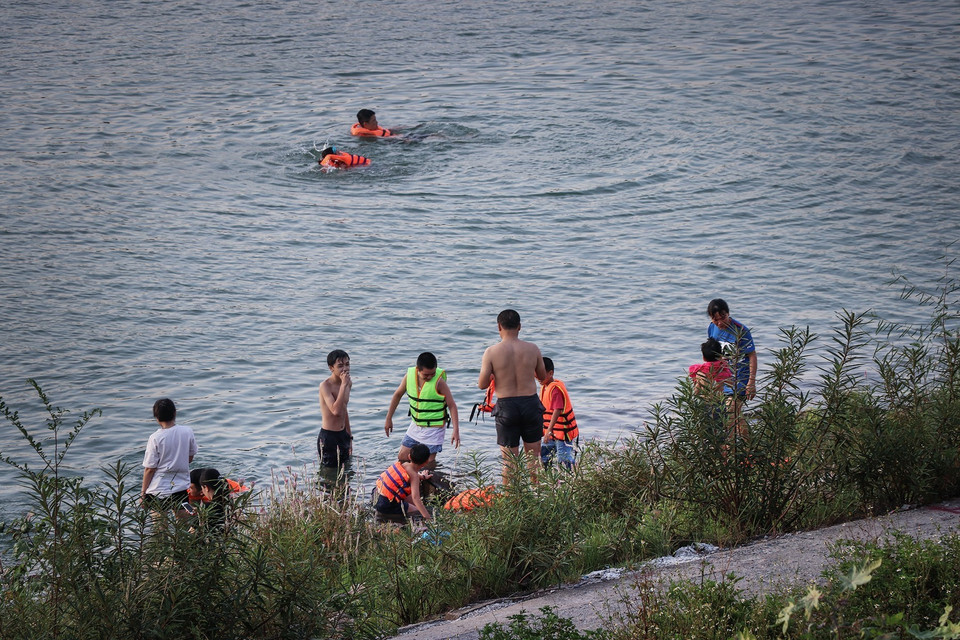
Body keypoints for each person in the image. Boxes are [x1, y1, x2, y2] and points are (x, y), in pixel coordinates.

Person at [478, 309, 547, 484]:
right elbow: (542, 376)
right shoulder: (533, 348)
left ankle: (511, 498)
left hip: (506, 407)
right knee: (534, 459)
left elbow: (482, 384)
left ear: (499, 327)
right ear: (519, 327)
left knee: (509, 462)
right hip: (530, 404)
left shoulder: (491, 352)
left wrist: (494, 375)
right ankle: (538, 494)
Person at [384, 351, 461, 464]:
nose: (430, 377)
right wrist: (388, 418)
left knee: (428, 463)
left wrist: (456, 431)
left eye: (432, 374)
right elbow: (397, 395)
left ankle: (428, 475)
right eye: (426, 375)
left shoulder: (439, 382)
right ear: (418, 369)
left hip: (434, 428)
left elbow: (452, 405)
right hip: (416, 425)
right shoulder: (409, 376)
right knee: (403, 457)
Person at [141, 398, 197, 517]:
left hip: (158, 491)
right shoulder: (187, 432)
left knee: (160, 527)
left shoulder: (155, 438)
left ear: (156, 417)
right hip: (181, 488)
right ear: (174, 413)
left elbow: (150, 469)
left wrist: (143, 493)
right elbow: (190, 458)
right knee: (183, 525)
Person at [706, 299, 758, 400]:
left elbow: (752, 355)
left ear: (728, 313)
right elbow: (711, 353)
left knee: (731, 407)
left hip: (739, 378)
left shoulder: (741, 330)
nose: (720, 323)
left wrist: (751, 382)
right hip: (721, 379)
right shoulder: (712, 327)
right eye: (715, 320)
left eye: (723, 318)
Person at [374, 443, 433, 521]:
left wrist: (422, 476)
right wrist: (428, 517)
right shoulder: (414, 476)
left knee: (412, 501)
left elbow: (409, 473)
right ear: (426, 462)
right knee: (417, 511)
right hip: (388, 506)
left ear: (409, 456)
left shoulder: (404, 464)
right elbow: (416, 498)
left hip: (380, 499)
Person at [538, 357, 578, 470]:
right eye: (536, 374)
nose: (538, 378)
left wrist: (548, 431)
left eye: (541, 375)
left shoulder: (555, 389)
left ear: (550, 373)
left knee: (564, 459)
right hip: (551, 432)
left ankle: (572, 476)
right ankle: (548, 477)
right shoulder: (545, 387)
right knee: (543, 456)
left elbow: (558, 409)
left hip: (562, 433)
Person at [318, 349, 353, 467]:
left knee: (346, 470)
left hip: (343, 434)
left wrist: (350, 437)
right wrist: (343, 385)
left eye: (347, 364)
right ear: (331, 368)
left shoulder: (348, 383)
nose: (345, 369)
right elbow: (336, 411)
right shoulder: (325, 386)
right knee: (329, 473)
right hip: (329, 437)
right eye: (340, 366)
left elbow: (344, 409)